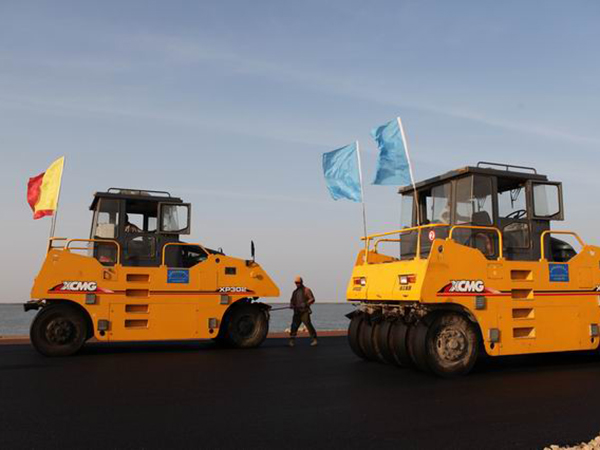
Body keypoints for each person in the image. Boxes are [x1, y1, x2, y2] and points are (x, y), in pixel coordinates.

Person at [289, 276, 318, 347]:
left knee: (308, 325)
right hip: (297, 312)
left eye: (298, 282)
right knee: (294, 326)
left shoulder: (307, 290)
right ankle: (292, 340)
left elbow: (312, 299)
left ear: (301, 282)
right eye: (296, 283)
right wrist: (291, 305)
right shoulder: (294, 292)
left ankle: (314, 340)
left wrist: (305, 303)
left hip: (305, 312)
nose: (297, 284)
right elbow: (292, 301)